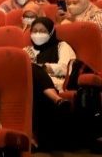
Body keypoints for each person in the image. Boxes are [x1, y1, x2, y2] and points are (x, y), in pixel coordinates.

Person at [23, 18, 76, 149]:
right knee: (31, 70)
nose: (38, 34)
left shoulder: (61, 46)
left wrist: (44, 67)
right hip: (30, 86)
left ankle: (33, 137)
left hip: (55, 82)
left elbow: (66, 67)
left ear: (51, 32)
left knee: (33, 68)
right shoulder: (25, 50)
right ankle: (56, 99)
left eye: (42, 31)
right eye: (35, 31)